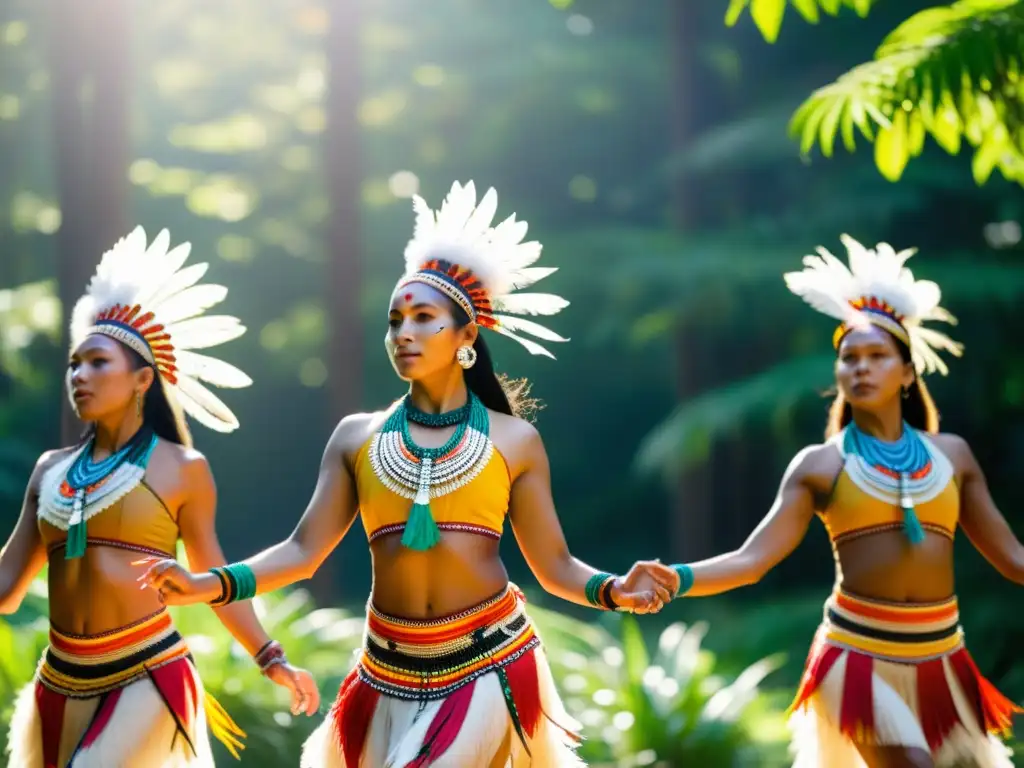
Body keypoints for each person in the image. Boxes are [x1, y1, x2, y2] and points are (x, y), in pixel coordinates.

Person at [137, 180, 679, 767]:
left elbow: (555, 568)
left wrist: (616, 590)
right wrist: (205, 584)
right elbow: (302, 550)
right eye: (395, 321)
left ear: (467, 335)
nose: (404, 334)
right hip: (383, 672)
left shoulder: (514, 440)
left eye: (424, 319)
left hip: (486, 664)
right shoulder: (356, 437)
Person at [663, 235, 1023, 768]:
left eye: (877, 356)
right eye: (848, 357)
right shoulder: (820, 466)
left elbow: (1014, 559)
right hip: (857, 660)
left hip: (942, 657)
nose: (860, 367)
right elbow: (751, 560)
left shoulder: (953, 457)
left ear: (907, 373)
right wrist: (678, 578)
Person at [0, 227, 320, 768]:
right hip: (59, 679)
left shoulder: (182, 468)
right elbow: (8, 586)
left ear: (143, 378)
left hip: (145, 670)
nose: (79, 375)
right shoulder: (49, 471)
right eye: (74, 364)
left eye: (98, 362)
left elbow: (211, 572)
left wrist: (272, 659)